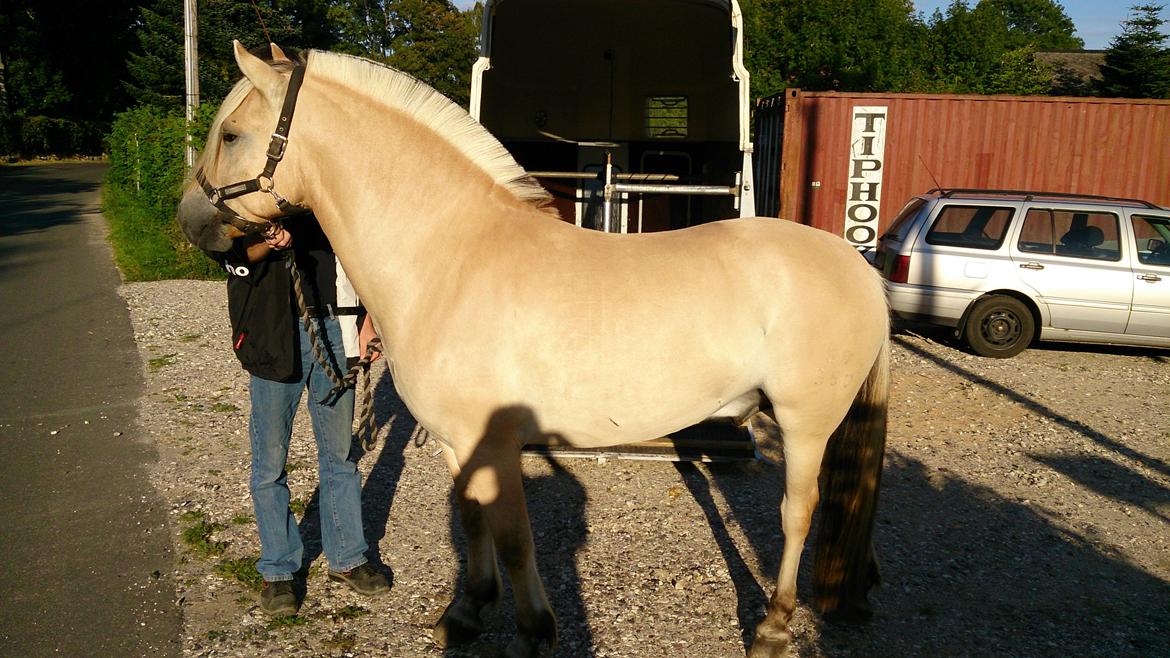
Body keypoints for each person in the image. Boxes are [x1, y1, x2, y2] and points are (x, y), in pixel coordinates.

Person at [207, 214, 388, 616]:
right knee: (270, 463)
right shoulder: (253, 205)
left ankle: (347, 557)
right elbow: (226, 254)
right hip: (274, 338)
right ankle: (279, 569)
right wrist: (267, 244)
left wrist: (368, 323)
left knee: (340, 458)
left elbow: (363, 260)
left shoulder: (326, 199)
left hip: (335, 332)